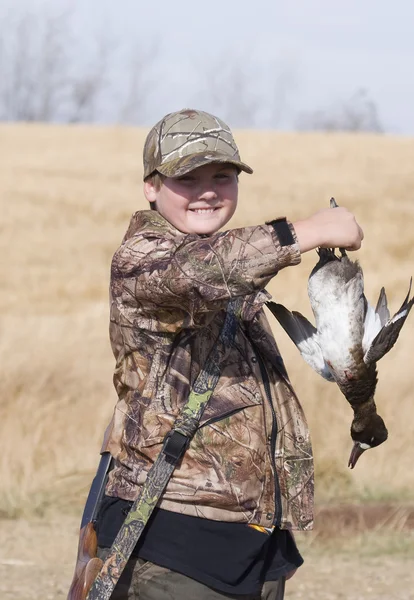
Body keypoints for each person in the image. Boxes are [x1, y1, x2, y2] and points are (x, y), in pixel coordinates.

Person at [94, 108, 363, 599]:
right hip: (172, 542)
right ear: (151, 186)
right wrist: (308, 230)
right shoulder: (143, 258)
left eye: (222, 176)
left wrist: (279, 535)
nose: (208, 190)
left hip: (248, 545)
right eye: (187, 178)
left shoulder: (232, 277)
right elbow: (199, 271)